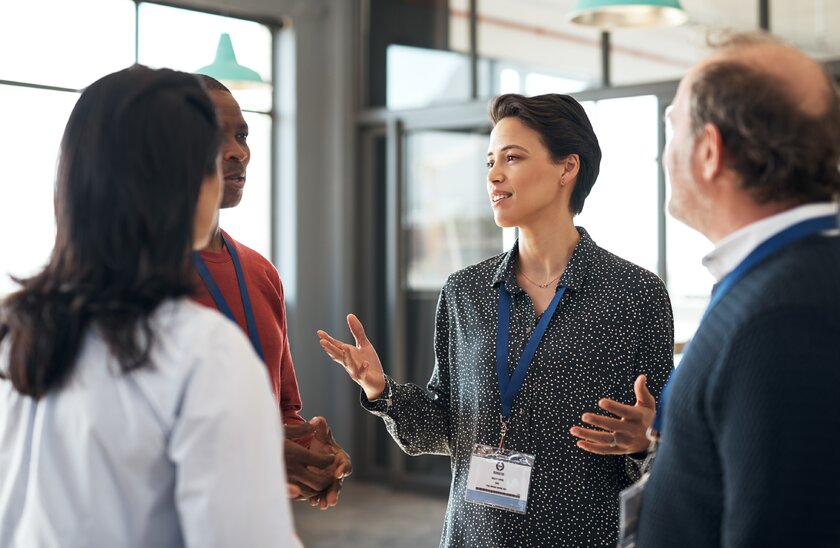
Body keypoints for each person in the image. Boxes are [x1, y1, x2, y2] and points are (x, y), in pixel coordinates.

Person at [318, 93, 674, 546]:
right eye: (490, 161)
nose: (494, 174)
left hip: (587, 536)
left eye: (513, 157)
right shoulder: (465, 292)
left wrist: (648, 439)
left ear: (568, 167)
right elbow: (445, 427)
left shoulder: (635, 294)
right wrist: (379, 388)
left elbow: (671, 446)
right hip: (476, 535)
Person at [0, 66, 299, 547]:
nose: (234, 155)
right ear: (173, 176)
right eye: (206, 150)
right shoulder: (202, 352)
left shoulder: (23, 331)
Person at [636, 32, 840, 547]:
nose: (664, 156)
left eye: (672, 130)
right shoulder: (786, 277)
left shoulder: (781, 316)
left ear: (709, 151)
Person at [192, 75, 351, 509]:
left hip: (252, 515)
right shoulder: (133, 277)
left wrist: (310, 452)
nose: (237, 152)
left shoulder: (259, 272)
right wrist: (254, 452)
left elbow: (279, 410)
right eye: (214, 136)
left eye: (242, 135)